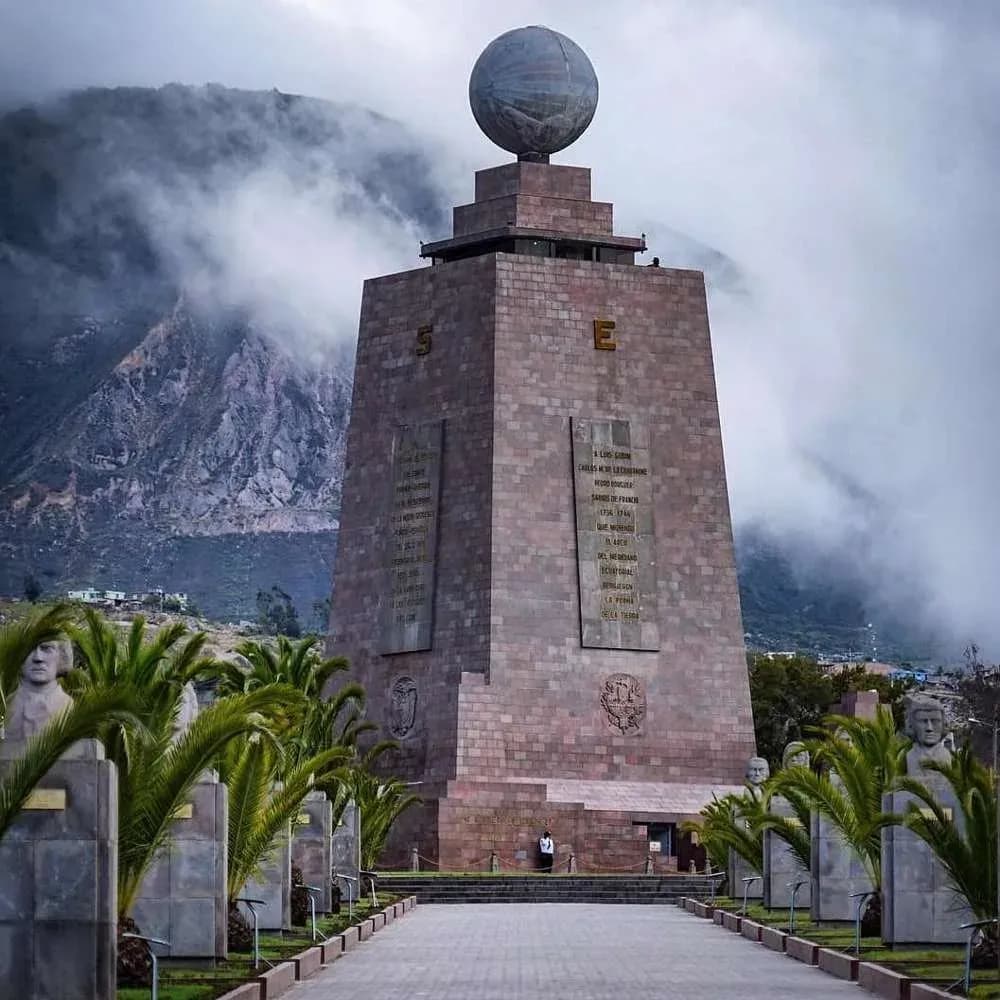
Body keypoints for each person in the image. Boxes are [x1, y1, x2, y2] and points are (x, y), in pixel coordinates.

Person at [3, 639, 74, 740]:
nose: (38, 658)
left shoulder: (69, 707)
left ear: (61, 655)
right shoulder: (6, 705)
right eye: (28, 649)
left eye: (46, 648)